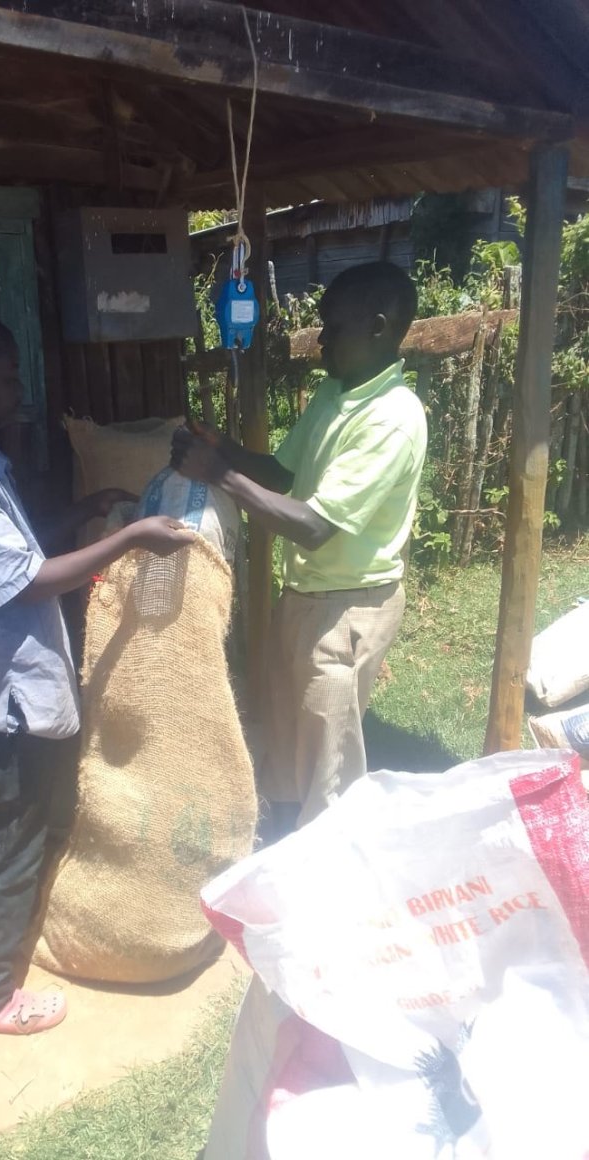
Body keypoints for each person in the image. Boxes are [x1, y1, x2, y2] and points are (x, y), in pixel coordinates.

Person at [0, 306, 193, 1036]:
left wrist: (85, 509)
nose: (19, 386)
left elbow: (15, 553)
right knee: (1, 840)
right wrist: (130, 536)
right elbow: (26, 581)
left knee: (22, 826)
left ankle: (11, 948)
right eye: (6, 374)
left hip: (0, 686)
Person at [171, 261, 427, 837]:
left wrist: (220, 475)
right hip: (307, 599)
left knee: (327, 773)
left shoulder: (392, 417)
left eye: (333, 328)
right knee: (287, 749)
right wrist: (228, 452)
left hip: (347, 610)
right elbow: (284, 475)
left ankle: (325, 893)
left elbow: (313, 526)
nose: (320, 340)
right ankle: (286, 857)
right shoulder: (335, 395)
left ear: (380, 328)